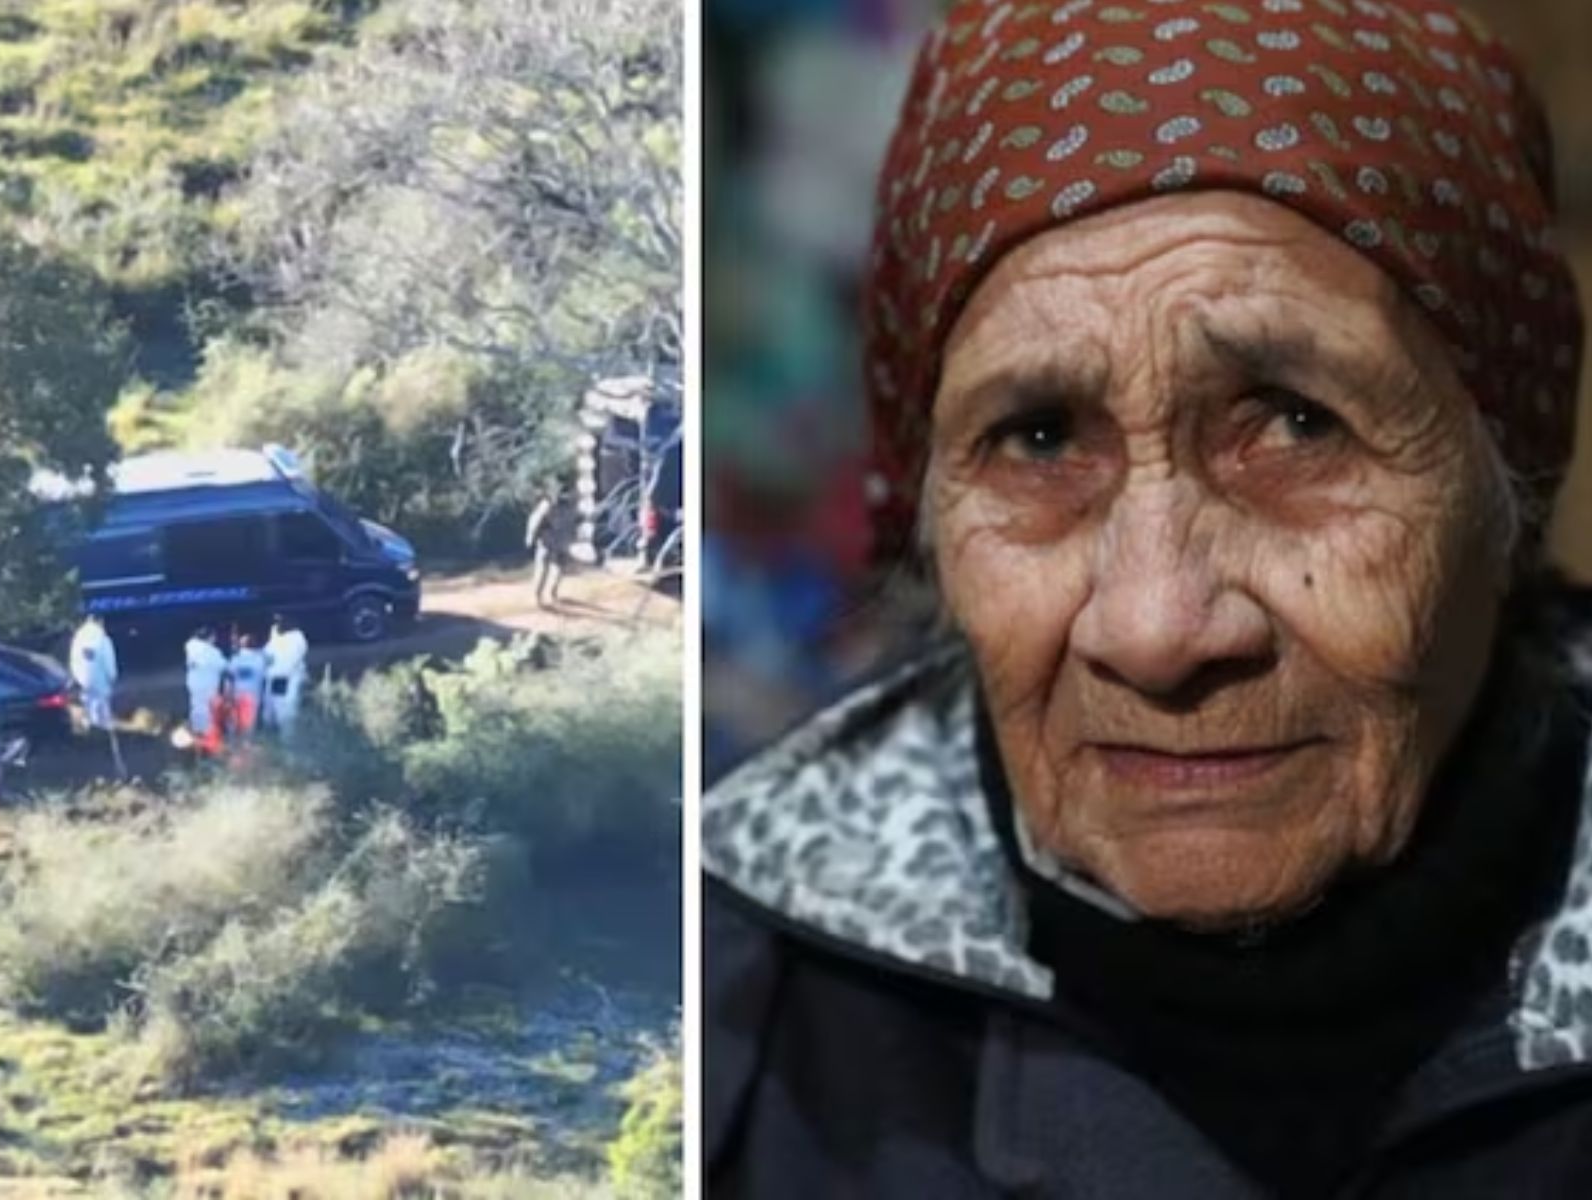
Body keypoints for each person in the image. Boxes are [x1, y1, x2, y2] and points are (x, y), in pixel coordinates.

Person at [703, 2, 1592, 1196]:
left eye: (1295, 423)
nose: (1158, 629)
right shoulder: (731, 1014)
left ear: (1505, 486)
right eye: (1036, 439)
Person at [525, 479, 573, 609]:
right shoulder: (547, 505)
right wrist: (531, 537)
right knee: (543, 569)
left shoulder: (569, 506)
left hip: (561, 541)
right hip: (547, 541)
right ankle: (537, 596)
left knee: (560, 568)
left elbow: (572, 524)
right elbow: (535, 522)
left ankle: (553, 592)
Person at [68, 613, 118, 731]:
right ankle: (104, 729)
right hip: (99, 678)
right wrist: (112, 677)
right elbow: (109, 662)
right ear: (100, 622)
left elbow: (73, 659)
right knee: (102, 704)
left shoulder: (78, 637)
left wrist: (77, 676)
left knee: (89, 701)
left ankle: (90, 726)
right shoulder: (103, 639)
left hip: (82, 678)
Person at [263, 613, 309, 732]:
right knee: (270, 716)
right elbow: (266, 656)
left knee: (285, 717)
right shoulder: (278, 639)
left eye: (279, 622)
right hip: (274, 680)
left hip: (286, 680)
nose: (277, 625)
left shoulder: (297, 638)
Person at [183, 626, 226, 738]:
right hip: (207, 685)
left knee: (196, 707)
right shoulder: (213, 652)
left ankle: (197, 731)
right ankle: (206, 735)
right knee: (207, 710)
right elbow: (223, 666)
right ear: (209, 637)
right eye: (213, 636)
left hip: (194, 683)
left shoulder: (191, 646)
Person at [227, 632, 268, 737]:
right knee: (249, 724)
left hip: (237, 695)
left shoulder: (235, 659)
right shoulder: (260, 659)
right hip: (252, 696)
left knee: (234, 722)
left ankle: (233, 741)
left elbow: (230, 677)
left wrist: (228, 694)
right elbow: (264, 676)